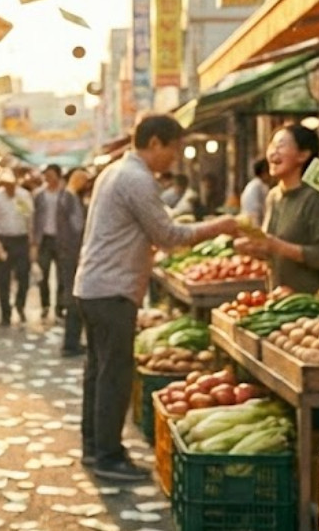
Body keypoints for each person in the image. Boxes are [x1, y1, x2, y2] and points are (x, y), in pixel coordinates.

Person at [74, 114, 237, 481]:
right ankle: (109, 456)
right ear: (155, 144)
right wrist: (221, 226)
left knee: (98, 372)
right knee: (113, 374)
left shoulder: (114, 172)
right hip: (112, 289)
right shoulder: (136, 178)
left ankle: (93, 447)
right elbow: (167, 235)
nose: (175, 159)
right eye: (174, 149)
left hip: (94, 286)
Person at [235, 125, 319, 294]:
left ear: (303, 155)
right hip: (279, 298)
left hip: (312, 302)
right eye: (271, 146)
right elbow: (272, 249)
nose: (272, 152)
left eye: (281, 145)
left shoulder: (318, 198)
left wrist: (276, 245)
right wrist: (253, 248)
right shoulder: (273, 196)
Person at [32, 164, 84, 321]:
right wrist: (33, 241)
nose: (48, 177)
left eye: (51, 174)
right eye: (46, 174)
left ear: (58, 176)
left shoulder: (67, 195)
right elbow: (33, 218)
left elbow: (76, 219)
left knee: (63, 275)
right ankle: (45, 305)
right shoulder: (39, 195)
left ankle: (60, 306)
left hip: (62, 239)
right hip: (44, 239)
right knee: (43, 274)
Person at [0, 167, 33, 326]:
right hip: (4, 240)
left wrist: (32, 243)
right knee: (3, 279)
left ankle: (20, 305)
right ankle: (5, 313)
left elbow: (30, 218)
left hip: (21, 239)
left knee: (24, 277)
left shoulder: (24, 195)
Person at [59, 167, 89, 357]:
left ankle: (72, 341)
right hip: (72, 255)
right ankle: (71, 343)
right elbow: (77, 226)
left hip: (70, 254)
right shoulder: (69, 199)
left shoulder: (68, 198)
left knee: (73, 298)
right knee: (73, 299)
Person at [240, 158, 272, 225]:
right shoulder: (261, 187)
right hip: (255, 224)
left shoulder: (251, 184)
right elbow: (264, 211)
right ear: (265, 172)